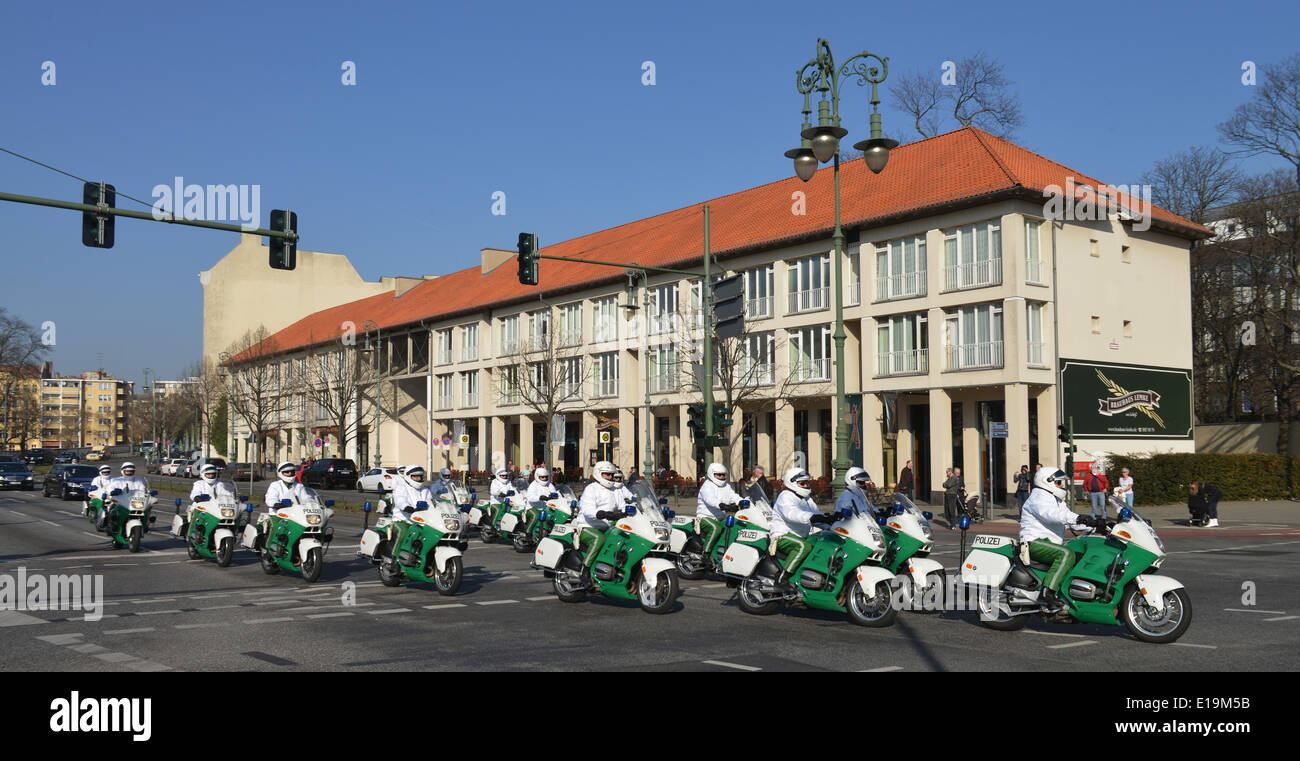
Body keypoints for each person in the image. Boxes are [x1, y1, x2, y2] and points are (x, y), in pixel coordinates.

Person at [1020, 467, 1102, 610]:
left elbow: (1071, 522)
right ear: (1047, 481)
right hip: (1035, 542)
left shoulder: (1056, 500)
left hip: (1049, 543)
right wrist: (1078, 517)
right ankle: (1047, 592)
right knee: (1066, 554)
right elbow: (1051, 515)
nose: (1062, 486)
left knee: (1081, 556)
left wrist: (1097, 527)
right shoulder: (1038, 497)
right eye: (1059, 482)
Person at [770, 467, 837, 589]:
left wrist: (832, 523)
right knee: (803, 546)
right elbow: (792, 514)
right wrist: (812, 517)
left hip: (802, 536)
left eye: (807, 483)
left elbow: (816, 515)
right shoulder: (786, 496)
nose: (806, 485)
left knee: (825, 542)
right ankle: (782, 578)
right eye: (802, 483)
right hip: (783, 535)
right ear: (792, 483)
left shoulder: (807, 499)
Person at [573, 461, 625, 569]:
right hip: (588, 526)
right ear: (598, 473)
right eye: (607, 474)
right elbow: (587, 509)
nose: (610, 477)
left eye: (612, 474)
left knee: (625, 537)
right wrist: (601, 514)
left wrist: (631, 510)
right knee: (599, 539)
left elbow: (623, 505)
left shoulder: (615, 490)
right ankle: (585, 569)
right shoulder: (591, 489)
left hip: (607, 526)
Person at [696, 463, 743, 560]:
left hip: (720, 517)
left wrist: (743, 501)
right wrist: (722, 505)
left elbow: (733, 496)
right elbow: (710, 499)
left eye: (723, 475)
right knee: (715, 528)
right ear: (711, 474)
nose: (721, 477)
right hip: (705, 517)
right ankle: (706, 553)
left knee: (736, 526)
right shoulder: (707, 486)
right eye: (718, 475)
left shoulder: (726, 486)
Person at [388, 465, 433, 553]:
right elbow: (400, 500)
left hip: (422, 521)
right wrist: (406, 507)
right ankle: (394, 560)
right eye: (415, 476)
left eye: (420, 476)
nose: (418, 478)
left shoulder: (425, 490)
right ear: (408, 476)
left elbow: (432, 502)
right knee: (403, 532)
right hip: (403, 520)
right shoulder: (401, 487)